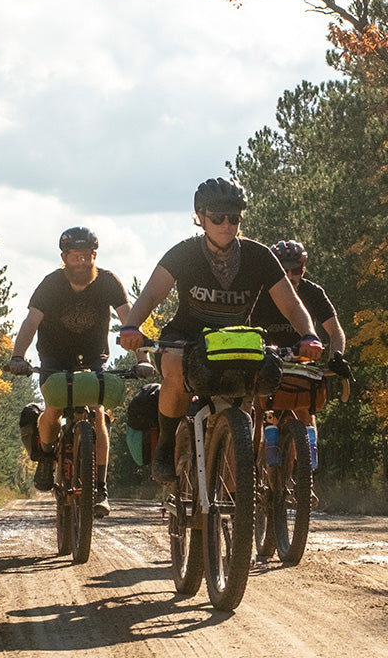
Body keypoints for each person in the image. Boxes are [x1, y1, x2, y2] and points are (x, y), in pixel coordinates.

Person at [117, 177, 325, 482]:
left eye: (234, 218)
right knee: (173, 367)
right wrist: (132, 326)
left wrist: (309, 335)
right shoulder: (184, 253)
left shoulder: (258, 256)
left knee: (256, 387)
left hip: (237, 342)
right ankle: (166, 443)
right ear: (200, 218)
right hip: (185, 340)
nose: (227, 225)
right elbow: (150, 294)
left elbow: (292, 306)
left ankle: (236, 489)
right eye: (218, 218)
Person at [4, 226, 133, 514]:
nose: (82, 262)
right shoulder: (51, 284)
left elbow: (129, 321)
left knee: (97, 413)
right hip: (53, 358)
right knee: (52, 409)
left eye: (87, 255)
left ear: (94, 255)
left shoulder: (109, 281)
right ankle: (47, 458)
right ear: (64, 257)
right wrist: (17, 355)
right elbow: (31, 322)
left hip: (94, 358)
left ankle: (100, 488)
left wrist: (143, 358)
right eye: (76, 256)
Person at [249, 240, 352, 490]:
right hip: (266, 360)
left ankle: (304, 473)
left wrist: (336, 356)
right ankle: (248, 471)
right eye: (284, 270)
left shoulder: (313, 292)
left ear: (303, 268)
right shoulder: (259, 294)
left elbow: (335, 331)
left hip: (302, 362)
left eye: (296, 269)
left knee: (306, 407)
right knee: (256, 412)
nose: (291, 275)